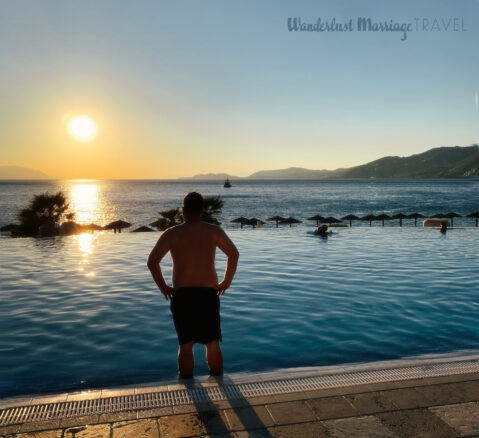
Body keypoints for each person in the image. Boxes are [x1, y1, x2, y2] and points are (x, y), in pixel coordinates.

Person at [147, 192, 239, 378]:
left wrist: (163, 287)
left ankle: (187, 384)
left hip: (182, 296)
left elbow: (152, 261)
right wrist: (226, 282)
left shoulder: (172, 234)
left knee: (185, 344)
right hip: (207, 295)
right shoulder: (213, 232)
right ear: (202, 210)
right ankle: (218, 380)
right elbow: (233, 254)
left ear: (183, 210)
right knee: (212, 342)